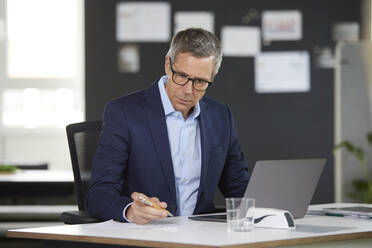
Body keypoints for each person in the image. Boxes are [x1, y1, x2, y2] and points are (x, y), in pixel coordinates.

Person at [86, 28, 250, 224]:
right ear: (167, 64)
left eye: (200, 81)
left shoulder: (220, 116)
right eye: (181, 76)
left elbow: (238, 186)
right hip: (147, 235)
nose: (188, 91)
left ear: (213, 77)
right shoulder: (124, 113)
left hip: (203, 236)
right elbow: (99, 192)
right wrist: (130, 211)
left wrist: (274, 211)